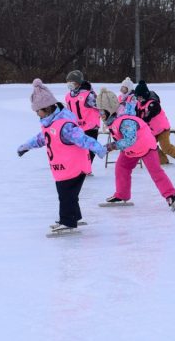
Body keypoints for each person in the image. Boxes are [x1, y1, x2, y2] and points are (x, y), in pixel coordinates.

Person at [17, 79, 107, 232]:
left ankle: (68, 221)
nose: (36, 114)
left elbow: (83, 139)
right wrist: (26, 146)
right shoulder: (50, 123)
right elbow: (41, 138)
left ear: (46, 108)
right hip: (64, 166)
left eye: (37, 110)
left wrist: (99, 149)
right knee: (68, 193)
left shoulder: (65, 125)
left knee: (66, 194)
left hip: (74, 166)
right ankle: (74, 217)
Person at [96, 88, 175, 211]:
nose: (100, 115)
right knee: (121, 167)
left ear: (110, 110)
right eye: (99, 111)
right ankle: (122, 194)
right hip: (131, 150)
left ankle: (170, 195)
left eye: (102, 111)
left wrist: (110, 147)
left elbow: (130, 140)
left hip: (145, 147)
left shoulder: (125, 121)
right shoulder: (115, 120)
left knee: (156, 171)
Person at [133, 80, 175, 165]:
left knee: (166, 147)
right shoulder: (139, 104)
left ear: (145, 95)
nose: (138, 99)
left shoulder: (153, 104)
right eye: (137, 97)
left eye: (140, 97)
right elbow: (137, 116)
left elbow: (149, 116)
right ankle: (163, 161)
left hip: (162, 129)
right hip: (151, 131)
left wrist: (142, 121)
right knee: (150, 146)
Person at [64, 70, 102, 165]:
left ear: (78, 83)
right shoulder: (68, 96)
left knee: (89, 148)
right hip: (76, 126)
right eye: (68, 82)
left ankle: (86, 168)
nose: (69, 85)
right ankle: (78, 166)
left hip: (90, 126)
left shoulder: (88, 95)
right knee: (76, 148)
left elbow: (100, 105)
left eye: (72, 82)